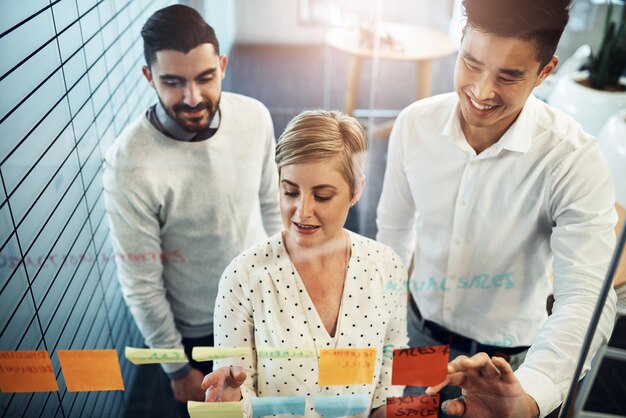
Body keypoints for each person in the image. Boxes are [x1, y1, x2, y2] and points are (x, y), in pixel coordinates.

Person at [376, 0, 617, 416]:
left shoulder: (573, 159)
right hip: (418, 333)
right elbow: (393, 235)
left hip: (511, 362)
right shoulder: (414, 124)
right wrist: (387, 331)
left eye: (509, 76)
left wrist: (530, 399)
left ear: (546, 71)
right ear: (461, 44)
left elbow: (587, 297)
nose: (482, 91)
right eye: (471, 64)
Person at [102, 4, 282, 414]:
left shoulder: (255, 117)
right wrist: (176, 368)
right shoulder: (128, 164)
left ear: (222, 65)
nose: (193, 97)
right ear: (149, 78)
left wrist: (282, 290)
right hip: (198, 333)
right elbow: (141, 282)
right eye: (173, 82)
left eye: (205, 78)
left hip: (261, 309)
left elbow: (272, 207)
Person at [200, 110, 408, 417]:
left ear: (356, 190)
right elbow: (236, 389)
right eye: (290, 192)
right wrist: (230, 400)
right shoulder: (243, 277)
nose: (302, 211)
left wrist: (386, 408)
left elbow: (393, 354)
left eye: (322, 196)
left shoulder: (386, 266)